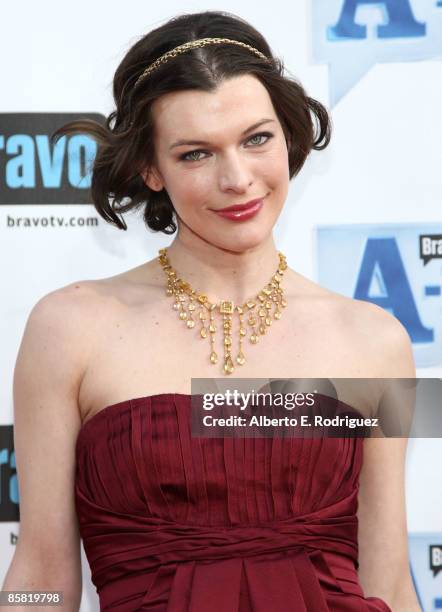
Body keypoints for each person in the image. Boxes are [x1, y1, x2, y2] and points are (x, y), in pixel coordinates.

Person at [2, 10, 421, 612]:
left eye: (257, 139)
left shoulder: (377, 341)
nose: (237, 178)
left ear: (289, 135)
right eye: (196, 154)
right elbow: (40, 569)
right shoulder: (67, 328)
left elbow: (388, 581)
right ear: (150, 169)